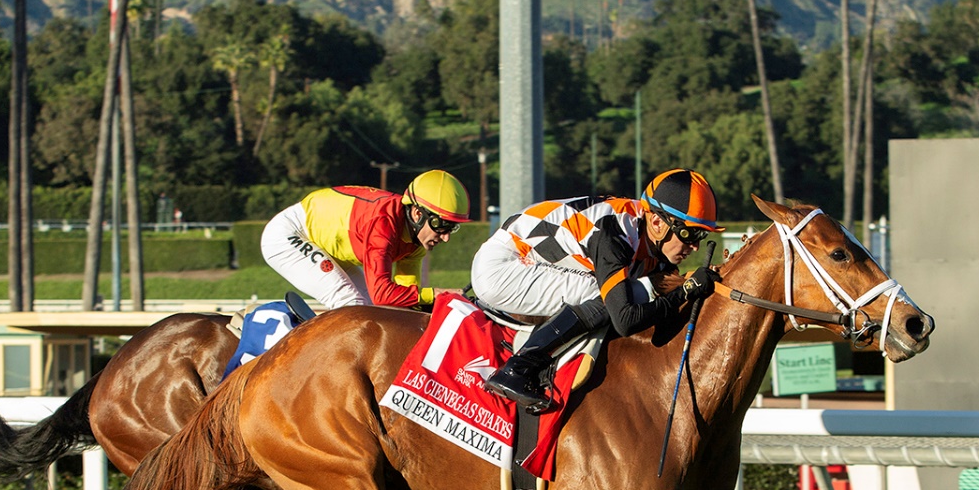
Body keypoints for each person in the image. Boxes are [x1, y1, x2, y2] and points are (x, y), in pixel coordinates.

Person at [474, 168, 724, 412]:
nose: (693, 247)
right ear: (657, 222)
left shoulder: (648, 234)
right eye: (688, 234)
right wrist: (686, 290)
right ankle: (517, 369)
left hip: (531, 260)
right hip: (503, 267)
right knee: (611, 297)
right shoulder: (614, 235)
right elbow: (625, 319)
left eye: (701, 236)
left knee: (637, 289)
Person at [261, 169, 471, 311]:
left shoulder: (416, 243)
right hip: (290, 234)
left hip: (325, 244)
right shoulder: (383, 224)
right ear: (417, 214)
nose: (445, 237)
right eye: (440, 225)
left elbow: (403, 301)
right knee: (351, 303)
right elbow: (383, 293)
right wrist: (435, 295)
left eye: (452, 227)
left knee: (371, 311)